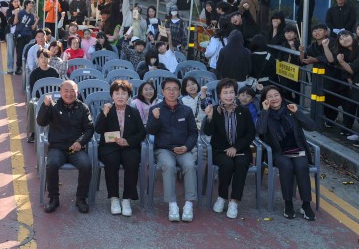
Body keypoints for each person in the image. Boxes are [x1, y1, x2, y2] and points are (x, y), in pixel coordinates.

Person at [256, 85, 316, 220]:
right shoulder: (263, 114)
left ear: (281, 97)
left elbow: (312, 127)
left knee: (301, 166)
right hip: (278, 152)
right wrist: (265, 112)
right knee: (286, 166)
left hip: (297, 150)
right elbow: (260, 131)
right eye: (269, 96)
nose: (274, 99)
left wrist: (297, 113)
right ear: (265, 101)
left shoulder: (291, 110)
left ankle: (306, 204)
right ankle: (288, 203)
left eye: (276, 95)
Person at [200, 78, 256, 219]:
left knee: (241, 164)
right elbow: (207, 132)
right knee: (227, 164)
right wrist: (210, 118)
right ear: (219, 95)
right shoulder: (214, 110)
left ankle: (234, 201)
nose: (228, 96)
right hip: (220, 150)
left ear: (236, 94)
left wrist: (236, 147)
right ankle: (222, 196)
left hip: (241, 149)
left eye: (231, 92)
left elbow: (251, 133)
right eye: (225, 92)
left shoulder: (244, 111)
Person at [36, 80, 94, 214]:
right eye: (66, 91)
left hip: (76, 148)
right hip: (57, 148)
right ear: (60, 92)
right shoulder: (53, 106)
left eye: (72, 91)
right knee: (52, 164)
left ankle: (81, 198)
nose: (69, 94)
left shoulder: (83, 107)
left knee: (86, 165)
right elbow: (41, 122)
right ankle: (53, 198)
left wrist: (80, 142)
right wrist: (45, 106)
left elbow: (89, 129)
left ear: (77, 92)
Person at [145, 77, 198, 222]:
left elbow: (194, 132)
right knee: (168, 165)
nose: (172, 92)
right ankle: (172, 204)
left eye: (175, 89)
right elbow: (150, 131)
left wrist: (187, 146)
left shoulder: (186, 111)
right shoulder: (155, 109)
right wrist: (155, 118)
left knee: (190, 165)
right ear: (162, 91)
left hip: (183, 148)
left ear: (179, 91)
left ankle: (188, 203)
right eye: (168, 89)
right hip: (164, 149)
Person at [95, 80, 146, 217]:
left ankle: (126, 199)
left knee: (132, 161)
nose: (120, 96)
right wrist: (104, 114)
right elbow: (99, 129)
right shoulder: (107, 110)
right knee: (111, 161)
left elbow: (142, 133)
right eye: (117, 93)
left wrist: (128, 141)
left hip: (128, 146)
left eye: (124, 93)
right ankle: (114, 198)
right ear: (112, 95)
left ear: (129, 96)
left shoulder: (134, 112)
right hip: (109, 147)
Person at [27, 49, 60, 143]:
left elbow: (58, 88)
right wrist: (42, 98)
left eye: (46, 57)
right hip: (39, 98)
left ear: (49, 59)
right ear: (37, 59)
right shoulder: (34, 73)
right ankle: (33, 132)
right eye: (41, 57)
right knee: (31, 105)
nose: (43, 59)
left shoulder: (54, 72)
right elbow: (34, 90)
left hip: (54, 98)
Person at [13, 0, 38, 75]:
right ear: (26, 5)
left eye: (32, 4)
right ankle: (18, 67)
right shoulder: (21, 13)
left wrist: (36, 21)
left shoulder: (32, 15)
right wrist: (16, 14)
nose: (31, 5)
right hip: (20, 35)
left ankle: (27, 67)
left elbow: (33, 28)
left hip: (28, 35)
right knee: (19, 52)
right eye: (30, 3)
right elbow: (15, 22)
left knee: (28, 51)